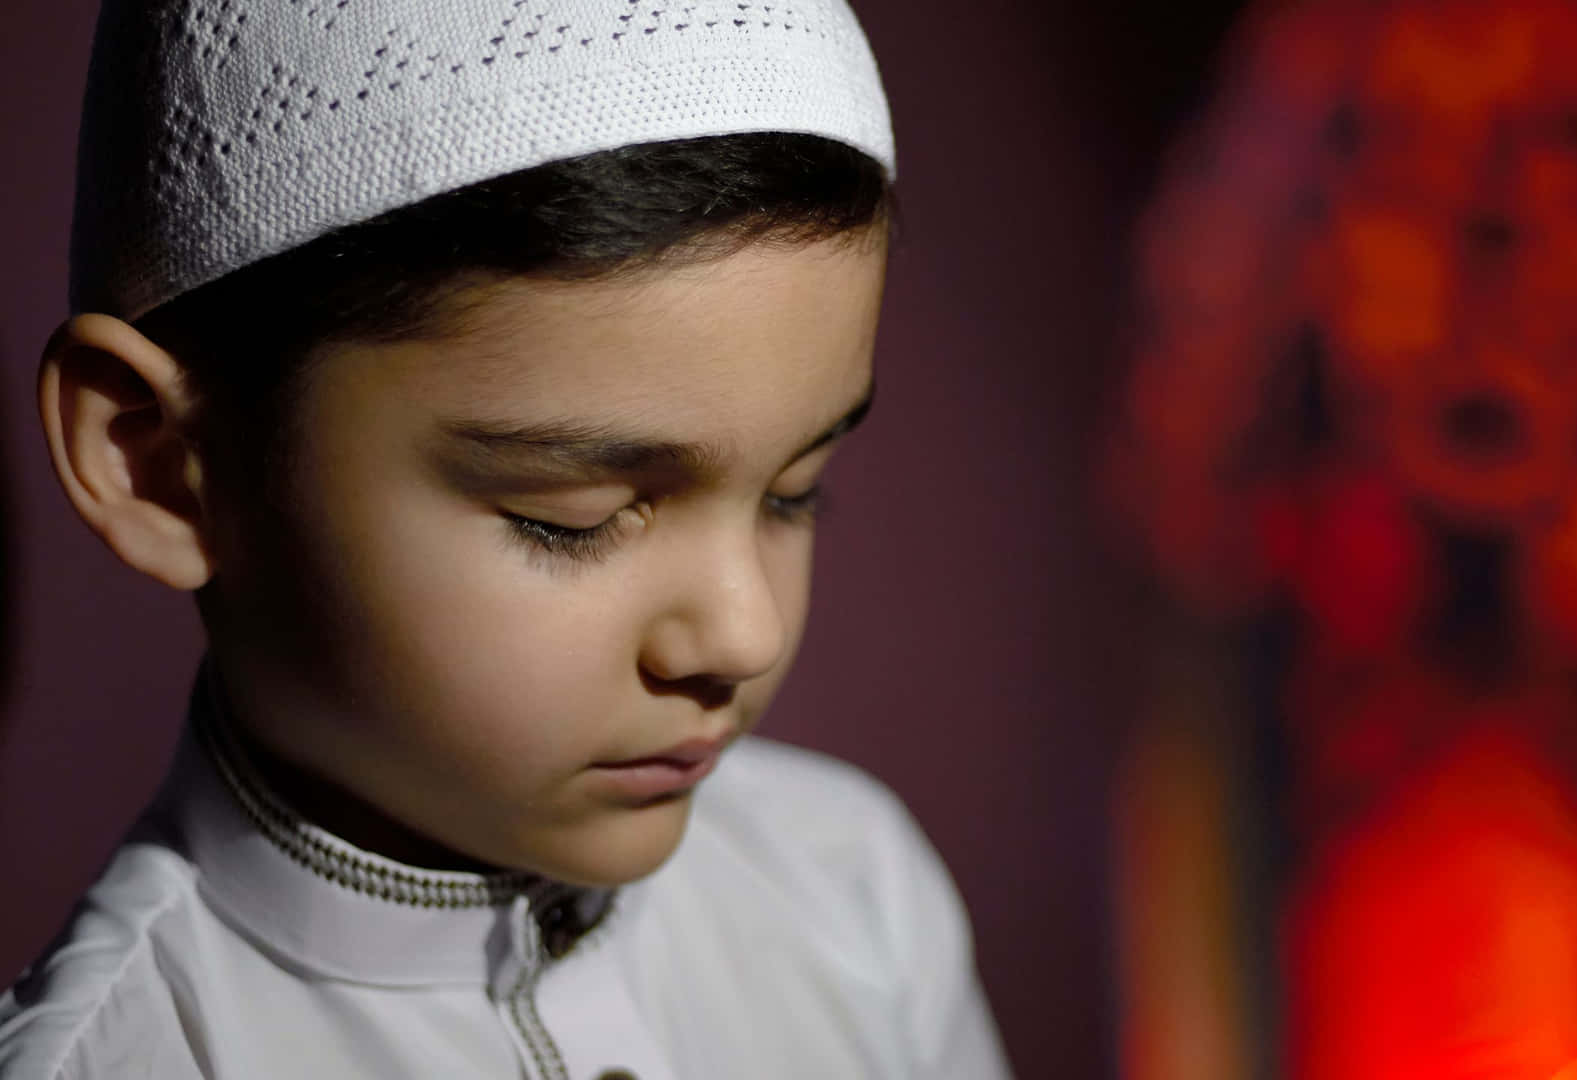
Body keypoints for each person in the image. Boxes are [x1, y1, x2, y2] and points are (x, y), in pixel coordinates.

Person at [0, 1, 1011, 1077]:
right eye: (569, 519)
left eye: (793, 493)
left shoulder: (853, 889)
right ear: (157, 462)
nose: (744, 634)